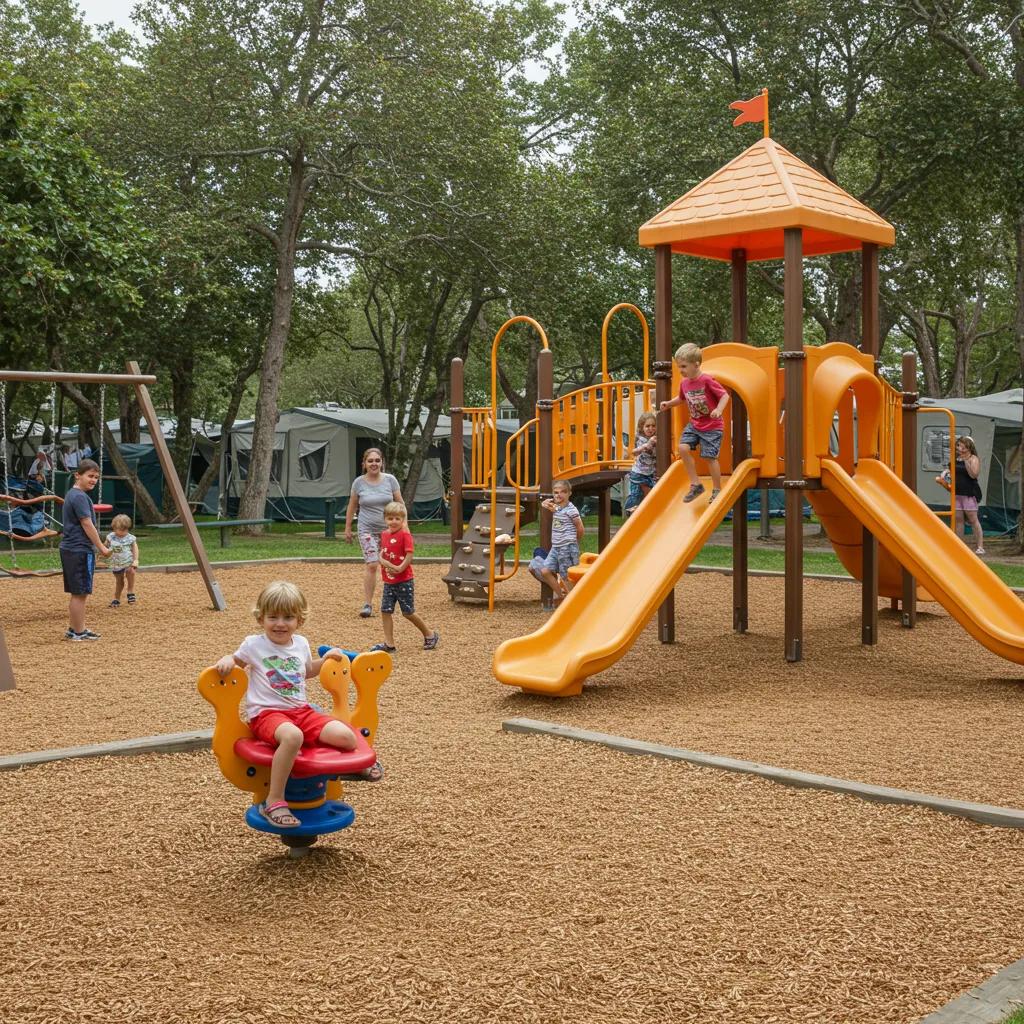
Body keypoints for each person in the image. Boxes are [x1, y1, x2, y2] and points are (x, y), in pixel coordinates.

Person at [213, 580, 382, 829]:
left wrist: (324, 660)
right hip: (267, 714)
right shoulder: (254, 645)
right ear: (261, 618)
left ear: (299, 621)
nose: (280, 623)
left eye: (288, 617)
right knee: (292, 737)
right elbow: (236, 660)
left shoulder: (301, 643)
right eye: (273, 617)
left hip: (301, 711)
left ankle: (344, 770)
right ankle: (274, 801)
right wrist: (227, 659)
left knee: (346, 737)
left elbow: (306, 672)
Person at [660, 342, 729, 504]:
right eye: (679, 367)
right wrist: (669, 404)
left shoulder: (706, 380)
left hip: (712, 427)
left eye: (684, 366)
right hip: (695, 424)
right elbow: (681, 399)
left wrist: (719, 409)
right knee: (682, 448)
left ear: (696, 364)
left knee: (709, 457)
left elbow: (724, 395)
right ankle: (696, 484)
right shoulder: (684, 383)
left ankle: (717, 489)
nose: (681, 370)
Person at [369, 501, 439, 653]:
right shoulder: (384, 534)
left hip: (404, 580)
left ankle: (430, 634)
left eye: (397, 518)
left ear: (402, 520)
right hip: (389, 580)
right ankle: (389, 644)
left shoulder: (405, 534)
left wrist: (400, 568)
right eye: (390, 518)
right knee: (385, 610)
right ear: (385, 519)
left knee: (408, 612)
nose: (393, 521)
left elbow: (409, 554)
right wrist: (382, 560)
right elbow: (383, 552)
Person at [344, 448, 402, 618]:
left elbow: (401, 504)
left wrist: (404, 526)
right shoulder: (359, 483)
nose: (374, 464)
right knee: (372, 564)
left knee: (392, 564)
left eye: (377, 460)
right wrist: (347, 528)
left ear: (382, 462)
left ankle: (393, 600)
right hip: (366, 529)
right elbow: (352, 506)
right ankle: (368, 604)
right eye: (370, 461)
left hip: (389, 530)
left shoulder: (390, 480)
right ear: (364, 464)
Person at [60, 459, 111, 641]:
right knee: (80, 592)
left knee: (78, 592)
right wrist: (102, 547)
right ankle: (78, 632)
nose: (93, 480)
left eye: (96, 477)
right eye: (90, 476)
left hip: (71, 548)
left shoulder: (72, 495)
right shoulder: (80, 497)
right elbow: (87, 524)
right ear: (78, 475)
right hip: (79, 549)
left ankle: (75, 628)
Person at [537, 479, 584, 601]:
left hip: (566, 546)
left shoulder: (571, 510)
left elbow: (580, 528)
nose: (559, 495)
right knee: (545, 571)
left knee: (566, 576)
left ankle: (573, 601)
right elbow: (548, 506)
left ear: (569, 493)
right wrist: (544, 503)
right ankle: (563, 597)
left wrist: (574, 543)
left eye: (563, 492)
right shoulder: (558, 508)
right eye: (556, 492)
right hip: (556, 546)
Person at [952, 435, 985, 555]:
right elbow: (953, 471)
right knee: (959, 519)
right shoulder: (956, 458)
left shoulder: (973, 458)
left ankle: (980, 546)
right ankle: (960, 545)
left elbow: (974, 475)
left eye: (960, 445)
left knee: (973, 519)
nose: (958, 447)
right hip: (957, 493)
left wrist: (966, 462)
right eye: (958, 444)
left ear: (967, 447)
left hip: (969, 493)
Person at [624, 411, 658, 515]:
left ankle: (646, 512)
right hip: (638, 473)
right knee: (635, 494)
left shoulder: (656, 439)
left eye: (653, 426)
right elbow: (635, 452)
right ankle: (629, 510)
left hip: (650, 473)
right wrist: (648, 445)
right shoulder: (641, 439)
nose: (650, 428)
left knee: (654, 493)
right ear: (642, 427)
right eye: (647, 426)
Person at [105, 513, 139, 607]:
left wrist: (136, 560)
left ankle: (130, 591)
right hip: (116, 563)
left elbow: (135, 548)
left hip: (128, 561)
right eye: (120, 529)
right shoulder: (111, 537)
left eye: (125, 529)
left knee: (131, 571)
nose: (122, 532)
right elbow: (105, 547)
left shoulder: (130, 538)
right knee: (119, 581)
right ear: (114, 528)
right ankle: (117, 598)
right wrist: (104, 552)